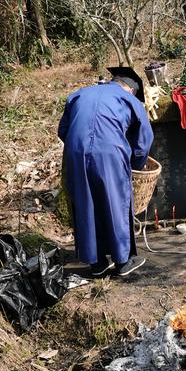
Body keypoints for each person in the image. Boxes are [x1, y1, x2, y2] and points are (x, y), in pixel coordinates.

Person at [58, 67, 154, 277]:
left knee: (85, 203)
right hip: (109, 152)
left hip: (75, 152)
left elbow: (63, 130)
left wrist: (81, 153)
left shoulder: (79, 94)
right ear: (131, 90)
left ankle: (97, 263)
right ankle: (122, 262)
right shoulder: (131, 101)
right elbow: (143, 141)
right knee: (115, 202)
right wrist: (136, 165)